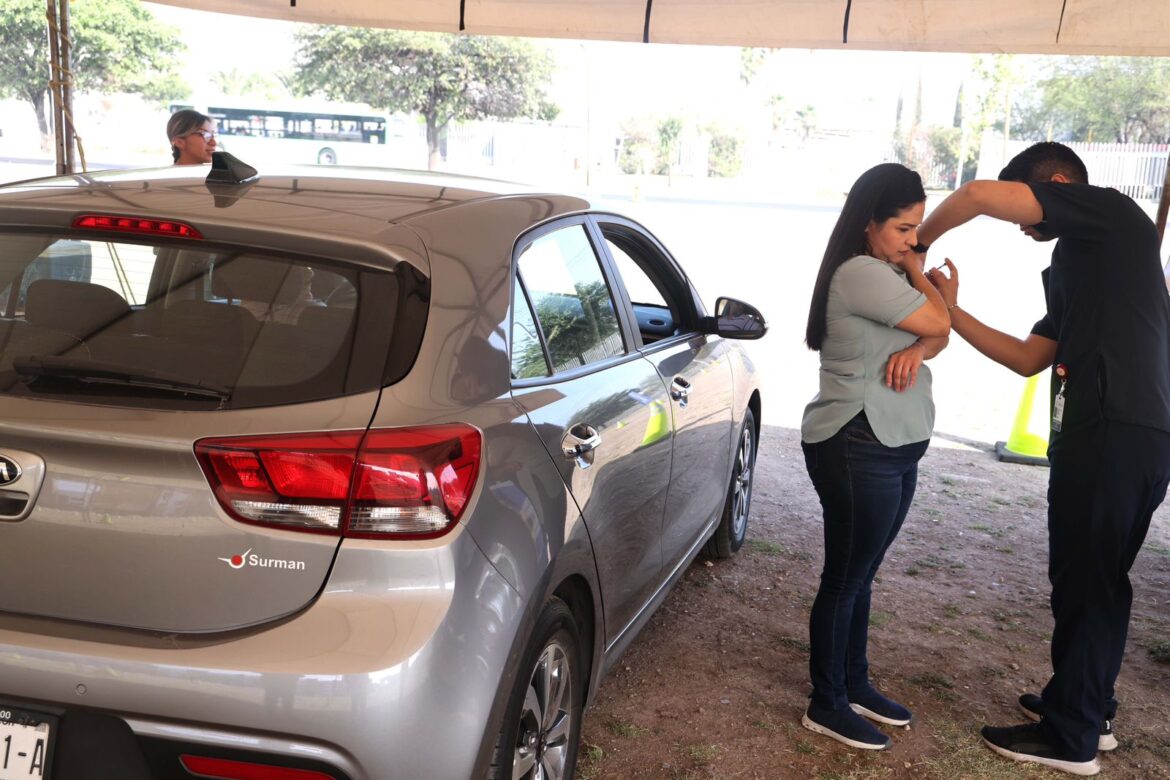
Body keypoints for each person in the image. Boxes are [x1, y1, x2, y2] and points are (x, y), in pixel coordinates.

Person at [918, 141, 1170, 777]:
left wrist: (916, 243)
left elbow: (976, 195)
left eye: (1029, 207)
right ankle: (1087, 707)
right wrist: (951, 310)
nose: (1023, 225)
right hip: (1121, 431)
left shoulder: (1109, 211)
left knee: (1088, 578)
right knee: (1096, 577)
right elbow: (1029, 358)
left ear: (1058, 186)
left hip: (1114, 427)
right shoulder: (1082, 259)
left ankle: (1070, 737)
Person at [800, 163, 951, 750]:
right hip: (856, 444)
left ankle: (854, 684)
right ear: (869, 222)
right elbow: (940, 318)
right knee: (845, 578)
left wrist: (919, 347)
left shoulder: (883, 270)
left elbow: (940, 334)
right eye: (903, 229)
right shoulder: (863, 272)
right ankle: (827, 702)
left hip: (893, 445)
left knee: (862, 574)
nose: (913, 241)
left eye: (916, 230)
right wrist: (921, 278)